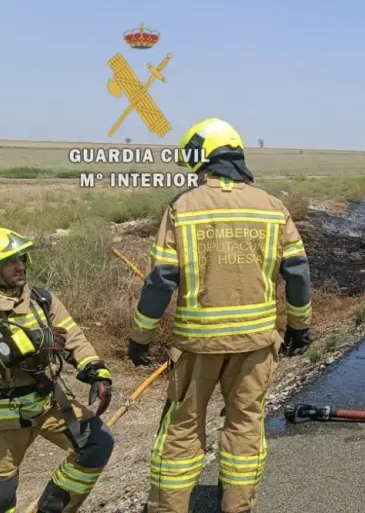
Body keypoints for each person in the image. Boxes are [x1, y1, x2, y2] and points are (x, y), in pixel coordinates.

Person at [128, 117, 313, 513]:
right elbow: (298, 274)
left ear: (204, 158)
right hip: (256, 346)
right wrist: (299, 329)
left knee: (181, 432)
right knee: (245, 429)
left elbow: (160, 280)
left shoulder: (183, 207)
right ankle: (237, 507)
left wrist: (140, 337)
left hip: (197, 346)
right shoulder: (273, 208)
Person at [0, 228, 114, 512]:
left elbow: (74, 338)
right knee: (2, 495)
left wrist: (96, 369)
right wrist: (24, 344)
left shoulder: (41, 299)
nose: (20, 265)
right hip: (5, 419)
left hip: (49, 404)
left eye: (21, 258)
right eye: (10, 261)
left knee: (97, 442)